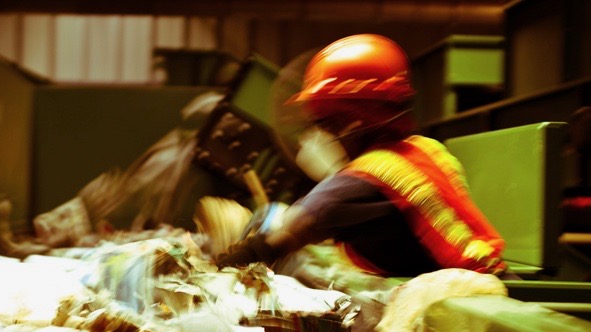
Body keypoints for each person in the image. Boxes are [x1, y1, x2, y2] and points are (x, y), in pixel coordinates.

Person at [215, 34, 510, 278]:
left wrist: (219, 268)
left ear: (354, 122)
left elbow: (287, 234)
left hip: (472, 317)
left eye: (324, 124)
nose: (317, 136)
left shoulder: (367, 176)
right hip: (492, 288)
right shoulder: (425, 149)